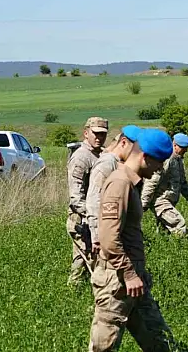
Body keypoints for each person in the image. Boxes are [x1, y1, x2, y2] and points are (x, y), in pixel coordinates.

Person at [88, 128, 176, 351]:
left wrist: (138, 274)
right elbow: (108, 238)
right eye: (159, 163)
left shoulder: (132, 183)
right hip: (116, 282)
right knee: (104, 345)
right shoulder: (120, 183)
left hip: (134, 280)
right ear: (145, 157)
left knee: (157, 338)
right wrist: (128, 273)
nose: (160, 170)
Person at [86, 125, 141, 259]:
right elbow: (94, 199)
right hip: (103, 234)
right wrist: (97, 236)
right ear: (123, 142)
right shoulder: (107, 163)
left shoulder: (119, 164)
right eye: (134, 149)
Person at [66, 116, 108, 286]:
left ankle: (75, 291)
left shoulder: (101, 154)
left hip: (94, 218)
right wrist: (94, 214)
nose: (99, 137)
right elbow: (75, 196)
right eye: (95, 133)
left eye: (102, 134)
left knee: (84, 260)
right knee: (90, 260)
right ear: (86, 133)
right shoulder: (81, 157)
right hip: (82, 219)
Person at [141, 133, 188, 236]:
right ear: (175, 145)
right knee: (179, 225)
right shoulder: (167, 159)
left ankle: (160, 248)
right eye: (183, 148)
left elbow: (183, 183)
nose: (186, 150)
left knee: (164, 233)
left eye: (186, 148)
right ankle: (183, 249)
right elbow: (152, 181)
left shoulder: (178, 159)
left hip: (169, 200)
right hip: (160, 201)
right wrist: (144, 202)